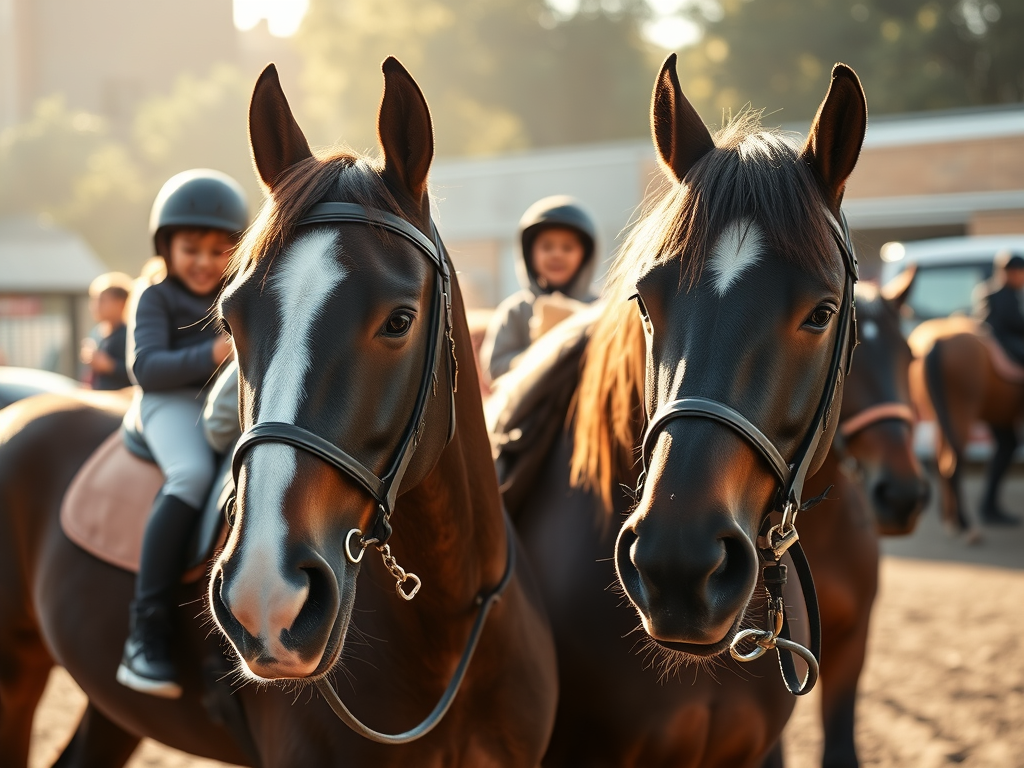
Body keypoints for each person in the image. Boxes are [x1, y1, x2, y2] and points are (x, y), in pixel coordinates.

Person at [116, 169, 248, 698]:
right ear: (166, 246)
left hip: (227, 404)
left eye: (220, 250)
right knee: (192, 476)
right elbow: (146, 368)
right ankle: (145, 628)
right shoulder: (155, 298)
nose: (204, 262)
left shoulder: (241, 295)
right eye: (190, 248)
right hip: (169, 403)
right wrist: (212, 354)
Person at [480, 196, 598, 383]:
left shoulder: (599, 310)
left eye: (567, 247)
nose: (557, 254)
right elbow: (495, 368)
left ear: (585, 255)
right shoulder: (516, 311)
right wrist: (541, 352)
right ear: (529, 253)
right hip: (530, 409)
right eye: (547, 246)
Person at [974, 250, 1024, 527]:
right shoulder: (1001, 293)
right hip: (1005, 343)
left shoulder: (992, 291)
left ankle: (989, 504)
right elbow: (1012, 323)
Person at [81, 272, 134, 390]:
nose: (95, 306)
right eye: (93, 300)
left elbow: (138, 372)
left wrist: (110, 366)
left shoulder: (129, 334)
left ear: (121, 303)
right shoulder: (97, 332)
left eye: (102, 300)